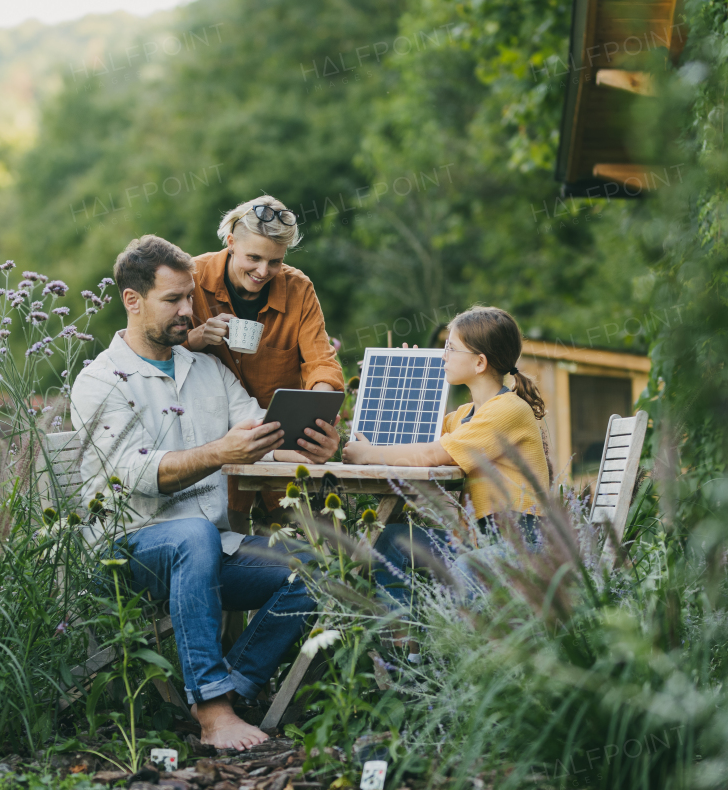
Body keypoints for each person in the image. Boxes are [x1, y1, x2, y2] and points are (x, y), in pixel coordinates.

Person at [70, 235, 341, 750]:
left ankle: (232, 686)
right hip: (124, 553)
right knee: (193, 532)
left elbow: (259, 429)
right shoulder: (101, 380)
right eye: (172, 300)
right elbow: (132, 474)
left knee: (316, 564)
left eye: (190, 298)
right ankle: (212, 712)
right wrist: (220, 453)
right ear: (133, 300)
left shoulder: (207, 369)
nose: (188, 311)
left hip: (209, 551)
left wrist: (309, 442)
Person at [341, 306, 551, 603]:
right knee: (395, 541)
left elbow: (432, 453)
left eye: (451, 348)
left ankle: (450, 646)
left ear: (479, 363)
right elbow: (416, 433)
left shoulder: (507, 410)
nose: (443, 356)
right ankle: (402, 648)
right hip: (482, 540)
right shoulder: (467, 414)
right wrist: (410, 375)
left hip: (522, 544)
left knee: (467, 566)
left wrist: (367, 455)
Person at [185, 195, 345, 533]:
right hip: (214, 456)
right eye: (253, 258)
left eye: (275, 261)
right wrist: (197, 338)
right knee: (231, 560)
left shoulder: (298, 288)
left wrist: (319, 414)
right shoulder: (191, 277)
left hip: (285, 450)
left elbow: (321, 363)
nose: (263, 271)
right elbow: (157, 345)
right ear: (230, 242)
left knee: (317, 551)